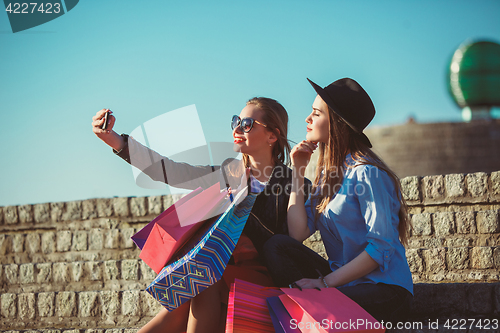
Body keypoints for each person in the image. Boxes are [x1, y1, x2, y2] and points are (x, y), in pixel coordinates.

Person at [91, 97, 311, 333]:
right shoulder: (230, 173)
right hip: (216, 272)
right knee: (188, 293)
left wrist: (290, 177)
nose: (237, 129)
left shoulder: (294, 181)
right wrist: (114, 140)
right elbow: (173, 171)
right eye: (236, 121)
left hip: (263, 275)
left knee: (200, 280)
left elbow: (293, 239)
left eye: (247, 124)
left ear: (272, 136)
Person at [263, 78, 413, 322]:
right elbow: (297, 233)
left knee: (312, 302)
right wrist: (298, 170)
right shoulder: (328, 178)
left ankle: (306, 309)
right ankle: (306, 309)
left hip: (384, 291)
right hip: (342, 285)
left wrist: (324, 283)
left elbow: (381, 247)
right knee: (277, 245)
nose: (307, 119)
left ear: (336, 123)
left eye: (316, 113)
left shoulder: (367, 173)